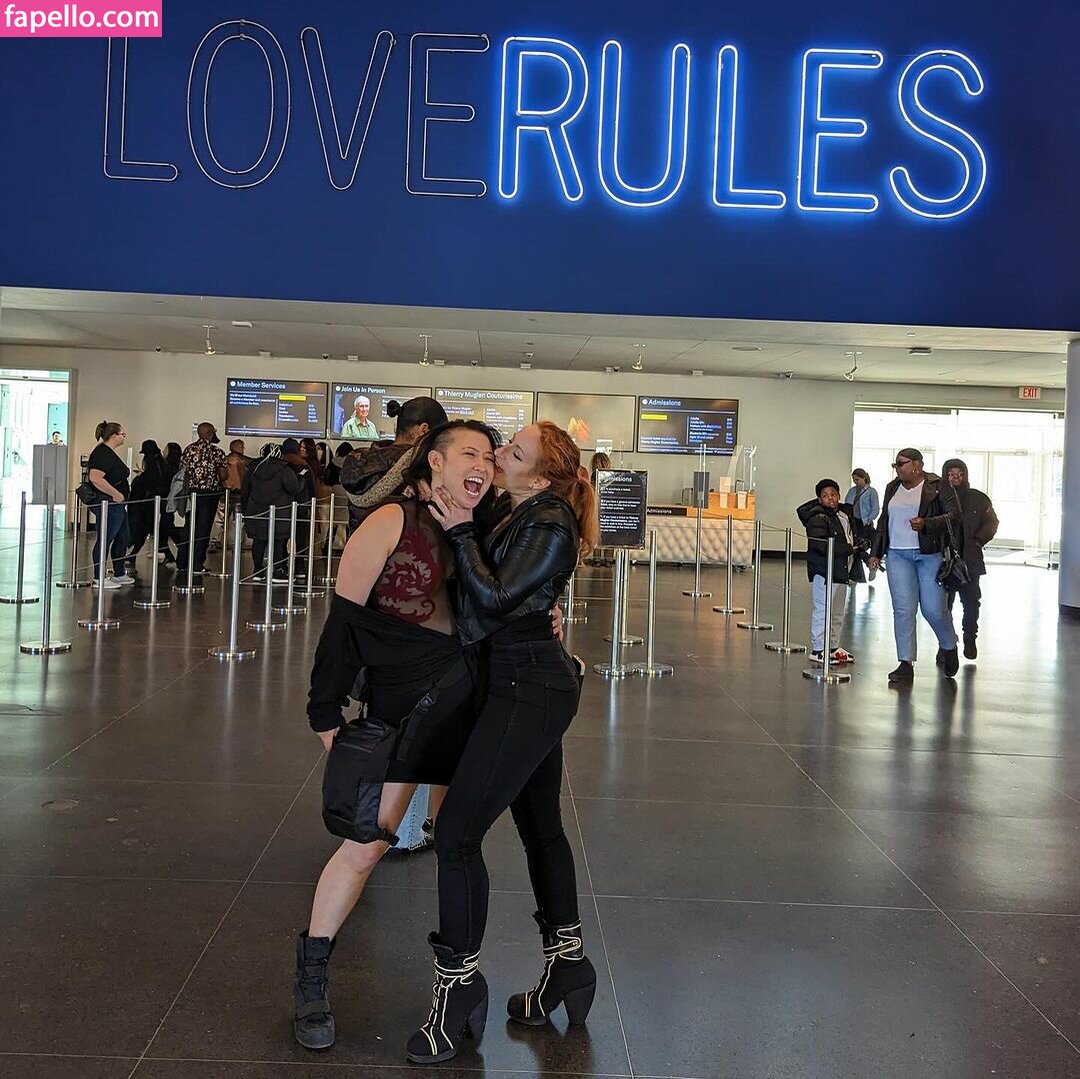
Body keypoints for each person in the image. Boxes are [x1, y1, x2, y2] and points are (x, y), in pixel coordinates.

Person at [295, 420, 500, 1051]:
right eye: (470, 454)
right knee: (365, 845)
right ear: (434, 461)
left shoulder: (486, 527)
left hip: (471, 708)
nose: (483, 466)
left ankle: (458, 986)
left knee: (458, 849)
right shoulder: (391, 520)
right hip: (403, 708)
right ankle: (312, 975)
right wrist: (325, 710)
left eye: (490, 457)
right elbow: (343, 623)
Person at [405, 421, 599, 1065]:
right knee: (541, 829)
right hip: (516, 682)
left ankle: (458, 988)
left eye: (513, 452)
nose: (496, 455)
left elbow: (491, 598)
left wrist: (461, 530)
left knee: (457, 834)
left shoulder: (549, 522)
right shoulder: (512, 509)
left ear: (539, 477)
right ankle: (567, 965)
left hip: (529, 690)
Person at [868, 448, 962, 684]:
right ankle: (905, 662)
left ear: (917, 465)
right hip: (897, 555)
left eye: (901, 463)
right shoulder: (892, 487)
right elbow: (883, 522)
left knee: (933, 609)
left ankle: (949, 645)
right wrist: (875, 552)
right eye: (895, 464)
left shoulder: (938, 486)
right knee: (903, 610)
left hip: (929, 554)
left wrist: (927, 524)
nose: (897, 468)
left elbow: (955, 517)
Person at [340, 397, 448, 534]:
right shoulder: (422, 468)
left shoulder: (362, 461)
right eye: (441, 437)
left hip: (358, 545)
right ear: (424, 430)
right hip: (404, 546)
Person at [938, 458, 999, 662]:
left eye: (959, 474)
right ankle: (945, 645)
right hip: (944, 560)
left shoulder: (978, 498)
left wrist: (978, 540)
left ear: (965, 475)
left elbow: (992, 522)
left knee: (971, 603)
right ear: (945, 476)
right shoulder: (936, 498)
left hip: (970, 560)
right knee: (943, 606)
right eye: (951, 474)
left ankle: (970, 637)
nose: (955, 478)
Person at [797, 479, 862, 665]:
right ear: (819, 499)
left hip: (842, 568)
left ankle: (833, 647)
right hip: (824, 570)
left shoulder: (844, 514)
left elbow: (850, 536)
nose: (830, 498)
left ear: (839, 495)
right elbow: (821, 546)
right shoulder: (817, 518)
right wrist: (849, 549)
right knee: (822, 608)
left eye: (833, 494)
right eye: (825, 496)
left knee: (838, 610)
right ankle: (818, 648)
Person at [241, 443, 303, 581]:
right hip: (279, 512)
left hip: (256, 511)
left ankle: (258, 571)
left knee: (258, 541)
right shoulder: (284, 469)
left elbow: (245, 490)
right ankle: (278, 571)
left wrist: (246, 511)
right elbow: (293, 488)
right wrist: (301, 479)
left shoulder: (254, 468)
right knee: (277, 541)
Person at [176, 422, 227, 576]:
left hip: (190, 493)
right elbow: (224, 475)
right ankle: (197, 564)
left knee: (189, 527)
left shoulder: (189, 450)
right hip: (209, 495)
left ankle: (182, 562)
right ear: (210, 433)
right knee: (203, 529)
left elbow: (181, 470)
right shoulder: (217, 452)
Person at [86, 420, 132, 588]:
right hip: (108, 502)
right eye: (122, 434)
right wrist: (115, 494)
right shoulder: (102, 454)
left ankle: (119, 573)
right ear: (113, 436)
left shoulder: (108, 453)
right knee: (106, 538)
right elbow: (95, 477)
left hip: (116, 503)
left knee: (122, 536)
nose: (124, 437)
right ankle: (99, 577)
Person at [128, 439, 171, 558]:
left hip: (145, 503)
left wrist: (140, 477)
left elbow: (147, 482)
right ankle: (133, 554)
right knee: (152, 530)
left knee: (143, 529)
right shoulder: (162, 463)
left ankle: (132, 553)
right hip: (155, 502)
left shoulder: (151, 462)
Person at [845, 468, 880, 583]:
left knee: (860, 547)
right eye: (854, 480)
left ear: (864, 478)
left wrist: (869, 520)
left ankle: (869, 564)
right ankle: (868, 565)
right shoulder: (852, 491)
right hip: (853, 522)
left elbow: (875, 508)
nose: (855, 482)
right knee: (856, 547)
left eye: (857, 479)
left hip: (864, 523)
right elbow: (847, 505)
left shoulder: (871, 492)